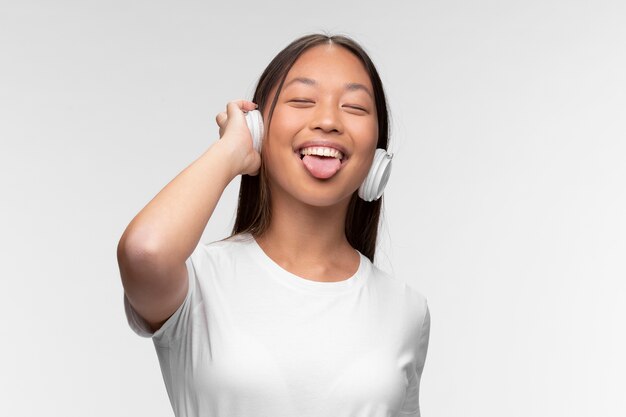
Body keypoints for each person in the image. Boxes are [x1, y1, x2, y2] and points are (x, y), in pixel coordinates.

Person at [117, 33, 431, 417]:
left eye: (354, 107)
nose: (329, 121)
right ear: (259, 129)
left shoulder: (406, 310)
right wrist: (231, 152)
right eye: (302, 100)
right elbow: (144, 250)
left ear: (377, 154)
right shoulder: (199, 281)